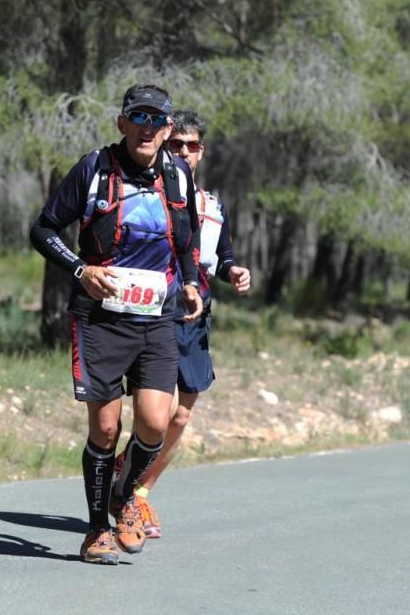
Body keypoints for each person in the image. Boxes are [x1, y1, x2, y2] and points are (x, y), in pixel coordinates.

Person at [29, 84, 203, 565]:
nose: (147, 129)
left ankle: (125, 495)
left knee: (154, 419)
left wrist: (190, 283)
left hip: (157, 317)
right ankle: (95, 530)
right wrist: (82, 271)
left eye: (156, 121)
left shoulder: (178, 177)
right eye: (138, 119)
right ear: (122, 123)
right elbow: (42, 229)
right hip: (100, 318)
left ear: (167, 130)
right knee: (105, 429)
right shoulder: (94, 169)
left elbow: (186, 242)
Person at [123, 109, 250, 539]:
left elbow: (223, 254)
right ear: (162, 143)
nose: (183, 152)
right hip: (153, 309)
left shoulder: (212, 206)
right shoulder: (147, 196)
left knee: (180, 415)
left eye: (191, 146)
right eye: (175, 144)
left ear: (201, 152)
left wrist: (234, 271)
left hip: (195, 313)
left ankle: (139, 490)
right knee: (154, 415)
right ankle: (128, 498)